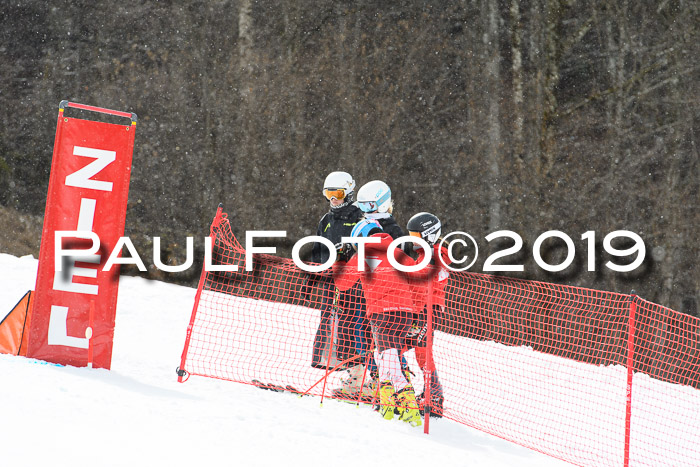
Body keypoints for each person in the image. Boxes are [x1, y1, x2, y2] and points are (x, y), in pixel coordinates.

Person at [333, 218, 422, 427]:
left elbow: (343, 283)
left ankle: (408, 405)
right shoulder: (397, 252)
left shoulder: (362, 254)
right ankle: (387, 403)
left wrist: (339, 259)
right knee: (383, 355)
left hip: (382, 313)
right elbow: (417, 275)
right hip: (405, 313)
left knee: (388, 356)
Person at [310, 171, 367, 371]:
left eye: (338, 194)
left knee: (350, 321)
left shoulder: (360, 217)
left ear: (349, 193)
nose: (333, 199)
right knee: (328, 317)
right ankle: (326, 360)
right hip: (330, 280)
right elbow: (318, 250)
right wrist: (313, 276)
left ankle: (353, 366)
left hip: (354, 282)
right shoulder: (326, 220)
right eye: (329, 194)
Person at [405, 212, 449, 418]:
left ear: (429, 235)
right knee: (403, 347)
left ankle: (434, 395)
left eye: (417, 235)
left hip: (427, 309)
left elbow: (424, 281)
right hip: (417, 308)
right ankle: (400, 385)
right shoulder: (424, 255)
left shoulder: (437, 253)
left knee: (422, 352)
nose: (414, 240)